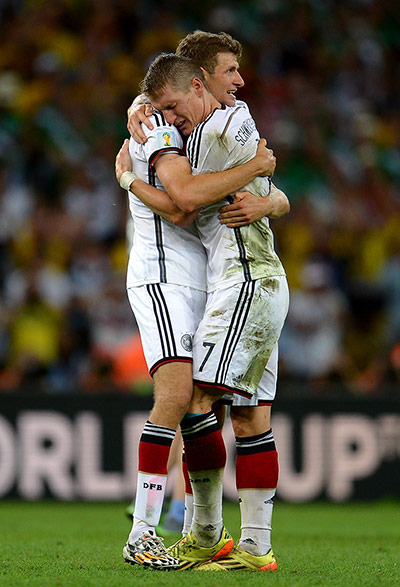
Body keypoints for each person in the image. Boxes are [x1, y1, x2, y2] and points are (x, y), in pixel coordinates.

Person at [117, 44, 289, 572]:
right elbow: (194, 198)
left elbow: (189, 200)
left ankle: (202, 534)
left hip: (240, 281)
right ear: (202, 78)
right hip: (227, 280)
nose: (240, 80)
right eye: (230, 71)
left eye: (236, 70)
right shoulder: (185, 128)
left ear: (196, 84)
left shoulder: (221, 127)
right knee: (240, 413)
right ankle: (245, 544)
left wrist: (271, 194)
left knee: (198, 402)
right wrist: (266, 182)